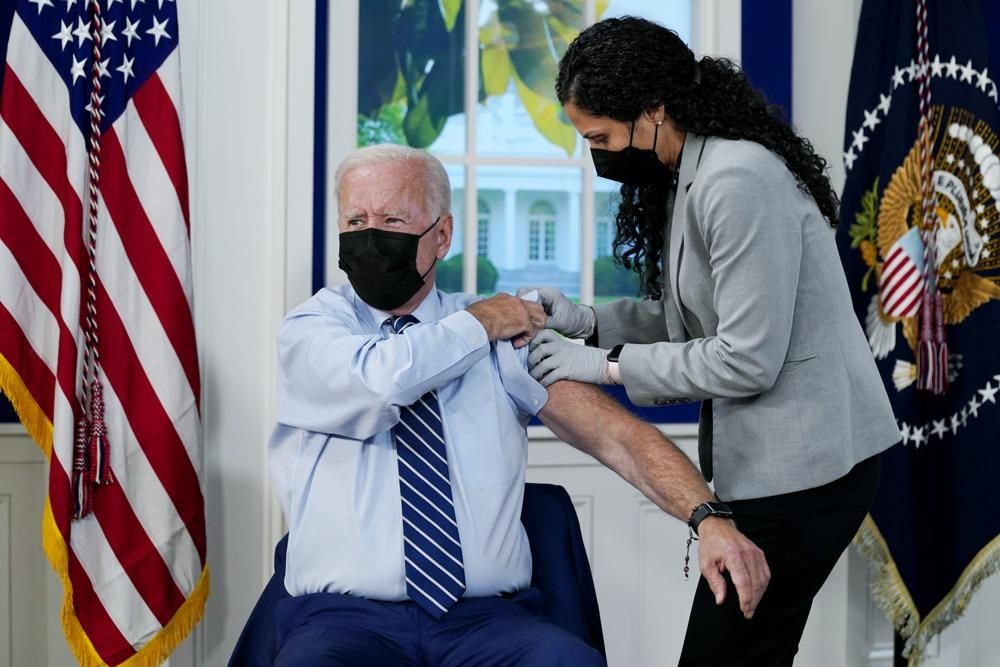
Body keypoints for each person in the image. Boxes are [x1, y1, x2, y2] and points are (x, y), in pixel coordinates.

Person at [267, 143, 770, 666]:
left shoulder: (505, 339)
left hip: (482, 619)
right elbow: (385, 379)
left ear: (442, 237)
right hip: (344, 619)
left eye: (392, 218)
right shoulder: (314, 331)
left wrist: (709, 518)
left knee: (567, 662)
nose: (371, 236)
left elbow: (618, 437)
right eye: (356, 219)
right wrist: (481, 323)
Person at [523, 16, 901, 666]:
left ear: (653, 110)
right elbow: (691, 319)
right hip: (781, 468)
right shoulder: (691, 168)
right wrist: (587, 320)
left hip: (809, 473)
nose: (598, 153)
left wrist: (604, 365)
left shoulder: (736, 180)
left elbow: (745, 358)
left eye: (600, 137)